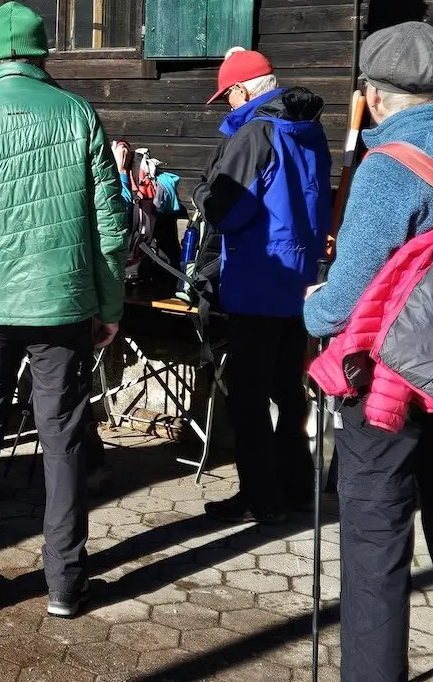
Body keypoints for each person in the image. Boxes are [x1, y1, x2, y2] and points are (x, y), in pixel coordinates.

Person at [305, 22, 433, 682]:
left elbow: (343, 299)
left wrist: (310, 306)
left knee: (376, 548)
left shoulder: (388, 168)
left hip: (391, 393)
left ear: (383, 95)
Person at [0, 1, 128, 618]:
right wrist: (108, 305)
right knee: (62, 438)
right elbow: (111, 226)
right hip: (62, 304)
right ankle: (65, 580)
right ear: (41, 55)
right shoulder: (77, 113)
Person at [193, 47, 331, 525]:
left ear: (243, 89)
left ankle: (260, 497)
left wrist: (201, 193)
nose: (228, 105)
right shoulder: (307, 131)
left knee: (248, 397)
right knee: (287, 391)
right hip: (298, 282)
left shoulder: (255, 133)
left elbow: (229, 211)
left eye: (227, 95)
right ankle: (295, 487)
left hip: (256, 278)